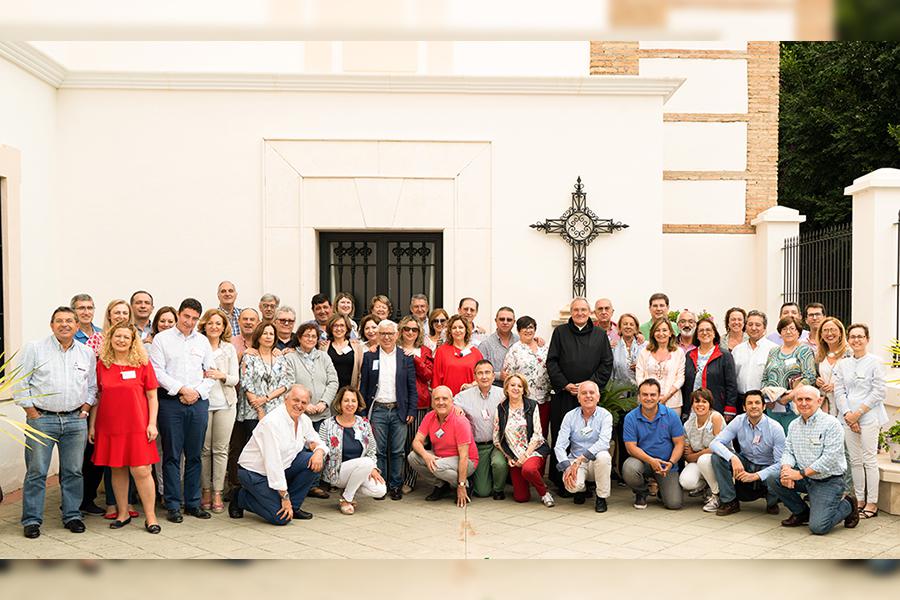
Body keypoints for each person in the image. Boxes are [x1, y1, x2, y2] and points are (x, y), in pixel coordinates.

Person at [15, 307, 97, 539]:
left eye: (69, 321)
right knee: (37, 471)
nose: (64, 325)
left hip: (75, 421)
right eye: (59, 321)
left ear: (77, 326)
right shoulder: (35, 348)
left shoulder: (86, 353)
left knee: (73, 471)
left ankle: (72, 515)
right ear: (51, 325)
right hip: (42, 419)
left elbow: (92, 386)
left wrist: (85, 409)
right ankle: (32, 520)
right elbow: (20, 382)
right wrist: (32, 412)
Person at [148, 298, 215, 523]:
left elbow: (210, 372)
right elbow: (157, 372)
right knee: (172, 455)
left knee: (195, 455)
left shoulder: (203, 341)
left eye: (195, 318)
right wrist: (182, 389)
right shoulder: (162, 339)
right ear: (178, 314)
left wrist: (196, 392)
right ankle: (173, 504)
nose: (189, 322)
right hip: (171, 402)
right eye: (186, 316)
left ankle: (193, 503)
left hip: (198, 402)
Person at [89, 323, 161, 533]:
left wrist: (152, 423)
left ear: (132, 341)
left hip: (138, 425)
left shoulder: (142, 364)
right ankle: (123, 513)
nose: (121, 340)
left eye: (126, 337)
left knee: (142, 470)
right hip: (110, 426)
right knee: (117, 468)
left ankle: (151, 517)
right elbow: (97, 396)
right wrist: (92, 426)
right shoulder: (102, 365)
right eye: (117, 336)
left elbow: (152, 396)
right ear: (110, 339)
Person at [766, 385, 859, 534]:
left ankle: (848, 504)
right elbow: (788, 451)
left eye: (808, 399)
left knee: (818, 527)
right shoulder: (794, 425)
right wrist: (786, 470)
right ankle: (801, 513)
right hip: (805, 478)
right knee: (773, 478)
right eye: (799, 399)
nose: (803, 403)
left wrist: (800, 474)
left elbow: (829, 458)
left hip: (828, 480)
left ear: (819, 401)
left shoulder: (832, 424)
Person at [230, 385, 326, 524]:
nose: (299, 405)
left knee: (312, 460)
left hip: (282, 467)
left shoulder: (303, 420)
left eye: (304, 402)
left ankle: (294, 507)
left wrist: (319, 451)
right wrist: (284, 497)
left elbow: (317, 441)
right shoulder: (272, 422)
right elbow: (272, 463)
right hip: (255, 473)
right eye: (296, 400)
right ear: (285, 399)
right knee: (281, 518)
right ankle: (241, 497)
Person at [546, 297, 613, 493]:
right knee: (562, 435)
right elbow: (552, 361)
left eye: (584, 310)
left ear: (589, 312)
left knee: (591, 436)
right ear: (571, 313)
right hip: (565, 394)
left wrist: (588, 387)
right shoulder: (560, 332)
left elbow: (606, 363)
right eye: (576, 310)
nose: (580, 313)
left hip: (589, 396)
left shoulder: (600, 335)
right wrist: (565, 384)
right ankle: (563, 481)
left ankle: (589, 479)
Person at [229, 321, 292, 500]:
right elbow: (246, 383)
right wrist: (259, 409)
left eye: (271, 334)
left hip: (275, 410)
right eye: (265, 333)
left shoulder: (280, 357)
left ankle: (271, 489)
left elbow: (286, 383)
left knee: (273, 451)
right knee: (255, 451)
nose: (268, 337)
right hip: (252, 411)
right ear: (258, 336)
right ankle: (246, 491)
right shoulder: (250, 356)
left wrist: (267, 399)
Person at [359, 319, 417, 500]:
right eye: (383, 333)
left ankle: (396, 485)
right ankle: (380, 485)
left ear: (397, 335)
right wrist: (363, 412)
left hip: (399, 410)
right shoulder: (369, 357)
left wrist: (411, 411)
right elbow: (364, 387)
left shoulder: (405, 357)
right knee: (379, 450)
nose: (386, 337)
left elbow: (412, 387)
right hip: (377, 410)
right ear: (377, 335)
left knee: (398, 451)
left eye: (390, 333)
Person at [835, 323, 888, 519]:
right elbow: (839, 391)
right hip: (848, 417)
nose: (856, 340)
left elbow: (879, 391)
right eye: (853, 336)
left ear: (867, 339)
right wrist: (849, 414)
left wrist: (858, 413)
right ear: (848, 339)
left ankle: (872, 502)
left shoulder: (875, 362)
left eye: (860, 336)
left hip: (869, 416)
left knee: (869, 459)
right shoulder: (843, 364)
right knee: (855, 460)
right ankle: (859, 499)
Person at [710, 390, 786, 516]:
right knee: (717, 458)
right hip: (746, 461)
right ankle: (730, 501)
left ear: (764, 406)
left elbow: (780, 463)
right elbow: (715, 443)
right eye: (750, 403)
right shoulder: (739, 421)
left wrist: (757, 475)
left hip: (767, 465)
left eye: (757, 403)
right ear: (744, 407)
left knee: (775, 474)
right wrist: (732, 457)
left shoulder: (775, 428)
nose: (754, 406)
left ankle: (772, 502)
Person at [320, 387, 387, 514]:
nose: (350, 404)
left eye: (353, 401)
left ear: (358, 403)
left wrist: (373, 468)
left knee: (380, 490)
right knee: (366, 462)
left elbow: (371, 450)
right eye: (346, 400)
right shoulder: (327, 424)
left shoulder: (364, 424)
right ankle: (347, 499)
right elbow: (321, 449)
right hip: (337, 472)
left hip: (361, 469)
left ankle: (347, 493)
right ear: (340, 403)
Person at [198, 309, 239, 514]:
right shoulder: (197, 346)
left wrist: (221, 375)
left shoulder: (229, 349)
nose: (214, 327)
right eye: (211, 323)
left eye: (218, 323)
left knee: (221, 450)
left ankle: (217, 492)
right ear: (204, 325)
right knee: (204, 450)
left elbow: (235, 379)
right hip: (203, 404)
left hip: (225, 404)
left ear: (224, 328)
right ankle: (205, 490)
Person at [408, 386, 478, 506]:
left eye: (445, 399)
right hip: (441, 458)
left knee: (437, 466)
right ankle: (441, 485)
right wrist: (426, 456)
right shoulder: (429, 416)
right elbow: (416, 442)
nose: (441, 402)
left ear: (452, 401)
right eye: (437, 399)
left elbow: (464, 456)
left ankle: (465, 484)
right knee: (413, 457)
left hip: (467, 461)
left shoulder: (460, 421)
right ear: (432, 402)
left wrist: (461, 485)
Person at [622, 378, 685, 510]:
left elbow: (679, 444)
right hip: (642, 462)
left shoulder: (671, 415)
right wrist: (651, 461)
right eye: (645, 394)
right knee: (629, 468)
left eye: (652, 395)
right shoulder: (630, 417)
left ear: (659, 396)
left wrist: (671, 462)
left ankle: (662, 490)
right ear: (639, 396)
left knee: (674, 504)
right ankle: (641, 491)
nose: (649, 398)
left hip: (666, 465)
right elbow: (630, 447)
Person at [494, 374, 554, 506]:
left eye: (519, 386)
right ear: (506, 388)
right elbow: (497, 438)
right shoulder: (501, 408)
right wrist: (508, 457)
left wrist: (525, 455)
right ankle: (530, 479)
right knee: (521, 498)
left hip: (533, 450)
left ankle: (544, 493)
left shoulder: (532, 405)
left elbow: (537, 434)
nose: (516, 388)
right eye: (512, 385)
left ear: (523, 390)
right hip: (514, 455)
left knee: (529, 469)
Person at [553, 381, 613, 512]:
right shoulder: (570, 416)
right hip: (575, 462)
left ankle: (601, 497)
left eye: (592, 393)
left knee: (604, 456)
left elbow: (603, 442)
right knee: (572, 486)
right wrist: (567, 467)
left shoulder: (605, 416)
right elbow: (559, 446)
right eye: (584, 393)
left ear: (598, 397)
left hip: (595, 461)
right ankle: (582, 490)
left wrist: (582, 458)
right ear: (578, 398)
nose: (588, 396)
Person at [455, 360, 507, 499]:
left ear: (493, 376)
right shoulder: (465, 396)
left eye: (487, 373)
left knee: (499, 464)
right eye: (480, 373)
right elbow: (450, 403)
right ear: (475, 376)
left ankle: (498, 489)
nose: (484, 376)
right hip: (478, 447)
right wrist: (456, 408)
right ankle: (478, 479)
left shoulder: (503, 394)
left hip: (497, 445)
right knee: (482, 492)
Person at [397, 314, 434, 493]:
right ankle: (395, 478)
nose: (410, 332)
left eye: (414, 329)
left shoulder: (424, 351)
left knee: (414, 442)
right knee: (398, 444)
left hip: (419, 402)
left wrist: (415, 358)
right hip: (397, 402)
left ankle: (410, 480)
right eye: (407, 329)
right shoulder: (394, 348)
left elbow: (428, 375)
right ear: (401, 330)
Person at [762, 316, 817, 432]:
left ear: (798, 332)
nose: (788, 332)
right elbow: (765, 377)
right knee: (775, 437)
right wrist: (767, 399)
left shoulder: (804, 351)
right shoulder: (773, 351)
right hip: (773, 406)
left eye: (792, 328)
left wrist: (789, 397)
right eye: (784, 329)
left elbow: (810, 377)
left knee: (793, 436)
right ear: (780, 333)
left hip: (795, 405)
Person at [502, 315, 551, 437]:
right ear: (519, 331)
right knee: (527, 432)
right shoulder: (515, 350)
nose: (528, 330)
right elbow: (508, 376)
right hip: (524, 399)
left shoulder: (544, 347)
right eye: (524, 328)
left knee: (542, 431)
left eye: (531, 327)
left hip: (544, 398)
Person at [678, 389, 725, 512]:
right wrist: (704, 451)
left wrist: (697, 454)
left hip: (719, 460)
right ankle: (706, 486)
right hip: (699, 461)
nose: (700, 405)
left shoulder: (715, 418)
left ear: (710, 404)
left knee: (704, 459)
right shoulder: (688, 425)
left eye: (704, 401)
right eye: (697, 401)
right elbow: (687, 456)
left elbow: (717, 448)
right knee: (686, 481)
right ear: (692, 404)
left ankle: (717, 495)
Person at [681, 318, 738, 420]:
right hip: (692, 408)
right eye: (701, 330)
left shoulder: (724, 355)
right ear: (696, 335)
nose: (705, 333)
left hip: (716, 407)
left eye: (708, 330)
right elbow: (685, 384)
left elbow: (731, 385)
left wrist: (729, 408)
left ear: (714, 333)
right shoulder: (689, 355)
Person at [635, 318, 686, 417]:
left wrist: (666, 397)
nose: (661, 333)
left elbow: (680, 378)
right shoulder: (644, 352)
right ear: (653, 333)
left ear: (670, 333)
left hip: (672, 402)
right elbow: (639, 376)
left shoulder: (678, 352)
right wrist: (649, 395)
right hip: (647, 401)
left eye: (664, 330)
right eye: (657, 330)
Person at [732, 310, 778, 409]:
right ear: (745, 326)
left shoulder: (774, 349)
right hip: (740, 401)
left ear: (764, 327)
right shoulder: (737, 350)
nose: (753, 328)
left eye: (758, 325)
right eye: (750, 324)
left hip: (764, 401)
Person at [432, 314, 484, 395]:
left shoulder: (476, 353)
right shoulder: (441, 351)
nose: (457, 330)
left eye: (461, 327)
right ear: (450, 331)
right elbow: (436, 379)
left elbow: (482, 378)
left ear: (466, 330)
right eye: (454, 328)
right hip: (448, 398)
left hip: (470, 397)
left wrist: (472, 385)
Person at [815, 317, 849, 416]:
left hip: (845, 404)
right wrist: (817, 381)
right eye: (825, 330)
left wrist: (836, 386)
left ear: (840, 332)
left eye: (833, 330)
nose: (829, 333)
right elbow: (814, 375)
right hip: (825, 404)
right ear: (821, 335)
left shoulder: (849, 353)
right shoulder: (818, 355)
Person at [321, 314, 364, 390]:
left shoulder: (356, 346)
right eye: (335, 326)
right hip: (329, 391)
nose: (339, 328)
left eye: (342, 325)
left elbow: (360, 372)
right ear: (331, 328)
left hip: (350, 392)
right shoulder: (323, 347)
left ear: (347, 328)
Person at [478, 307, 519, 385]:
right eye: (502, 319)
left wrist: (536, 341)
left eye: (509, 320)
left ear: (514, 322)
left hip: (517, 388)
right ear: (496, 321)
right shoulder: (485, 344)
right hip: (495, 387)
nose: (505, 322)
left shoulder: (520, 341)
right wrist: (498, 375)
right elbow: (479, 369)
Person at [611, 313, 645, 386]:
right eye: (625, 324)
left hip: (642, 389)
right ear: (619, 328)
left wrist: (640, 367)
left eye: (631, 324)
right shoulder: (613, 347)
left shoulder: (645, 346)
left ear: (636, 329)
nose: (628, 327)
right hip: (619, 391)